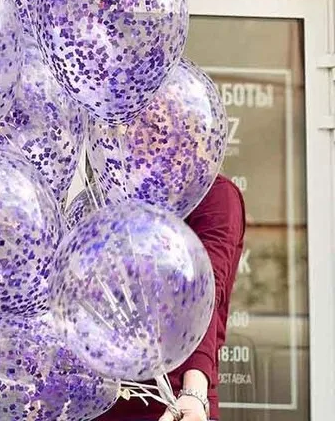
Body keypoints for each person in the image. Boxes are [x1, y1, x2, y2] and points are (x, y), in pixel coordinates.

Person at [95, 174, 246, 421]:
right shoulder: (112, 195)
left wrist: (194, 392)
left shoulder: (213, 193)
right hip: (99, 399)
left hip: (169, 405)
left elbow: (206, 293)